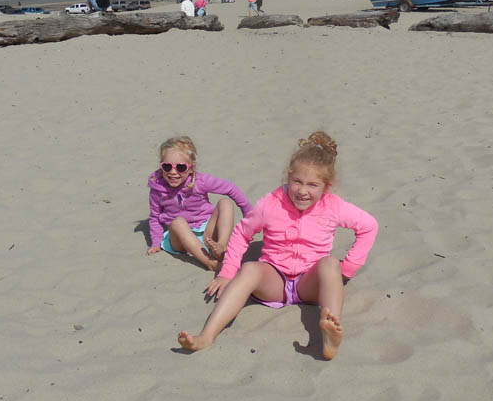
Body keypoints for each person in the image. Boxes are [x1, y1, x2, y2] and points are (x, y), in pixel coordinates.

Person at [177, 131, 378, 359]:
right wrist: (227, 271)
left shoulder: (333, 206)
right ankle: (207, 335)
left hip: (309, 283)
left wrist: (348, 268)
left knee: (331, 264)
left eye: (312, 185)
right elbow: (243, 233)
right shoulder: (271, 204)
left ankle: (329, 335)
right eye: (297, 182)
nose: (303, 191)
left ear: (326, 187)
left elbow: (369, 226)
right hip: (275, 282)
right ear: (288, 177)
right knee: (250, 268)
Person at [148, 136, 251, 272]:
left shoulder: (201, 181)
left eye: (181, 167)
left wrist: (249, 214)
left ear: (191, 168)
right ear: (161, 167)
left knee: (225, 203)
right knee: (178, 222)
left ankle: (221, 246)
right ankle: (210, 263)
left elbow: (231, 188)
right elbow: (155, 216)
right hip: (180, 239)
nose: (173, 172)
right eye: (167, 167)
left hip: (206, 232)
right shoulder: (158, 188)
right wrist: (156, 242)